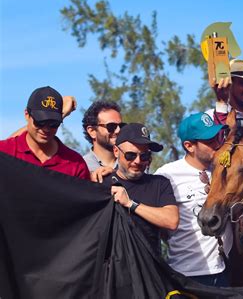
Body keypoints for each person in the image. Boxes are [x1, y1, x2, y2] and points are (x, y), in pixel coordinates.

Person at [154, 112, 232, 286]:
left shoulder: (226, 170)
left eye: (217, 137)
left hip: (224, 271)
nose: (217, 144)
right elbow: (159, 227)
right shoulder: (167, 175)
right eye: (209, 140)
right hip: (185, 275)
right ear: (189, 146)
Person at [102, 123, 178, 252]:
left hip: (150, 268)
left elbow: (171, 221)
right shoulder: (102, 183)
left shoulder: (159, 183)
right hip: (112, 268)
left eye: (144, 156)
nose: (137, 161)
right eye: (130, 155)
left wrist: (130, 204)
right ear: (116, 151)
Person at [0, 86, 89, 180]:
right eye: (40, 122)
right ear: (26, 114)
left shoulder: (76, 164)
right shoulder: (6, 151)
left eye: (53, 123)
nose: (46, 129)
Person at [82, 100, 125, 172]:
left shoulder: (133, 164)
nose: (118, 130)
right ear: (92, 131)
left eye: (121, 126)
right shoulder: (82, 167)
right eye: (111, 126)